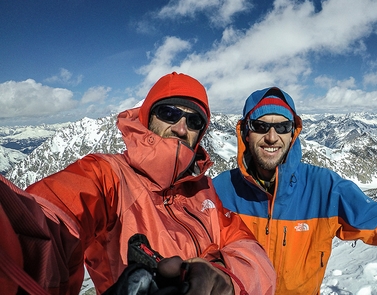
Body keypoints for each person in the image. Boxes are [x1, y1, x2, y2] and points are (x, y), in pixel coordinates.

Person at [0, 72, 276, 295]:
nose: (181, 127)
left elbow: (252, 254)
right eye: (169, 113)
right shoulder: (107, 175)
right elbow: (46, 222)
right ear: (147, 118)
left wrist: (223, 277)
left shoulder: (203, 188)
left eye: (193, 121)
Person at [212, 86, 377, 295]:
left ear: (293, 133)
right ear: (246, 133)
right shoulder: (219, 192)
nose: (271, 136)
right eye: (260, 126)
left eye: (282, 127)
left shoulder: (324, 189)